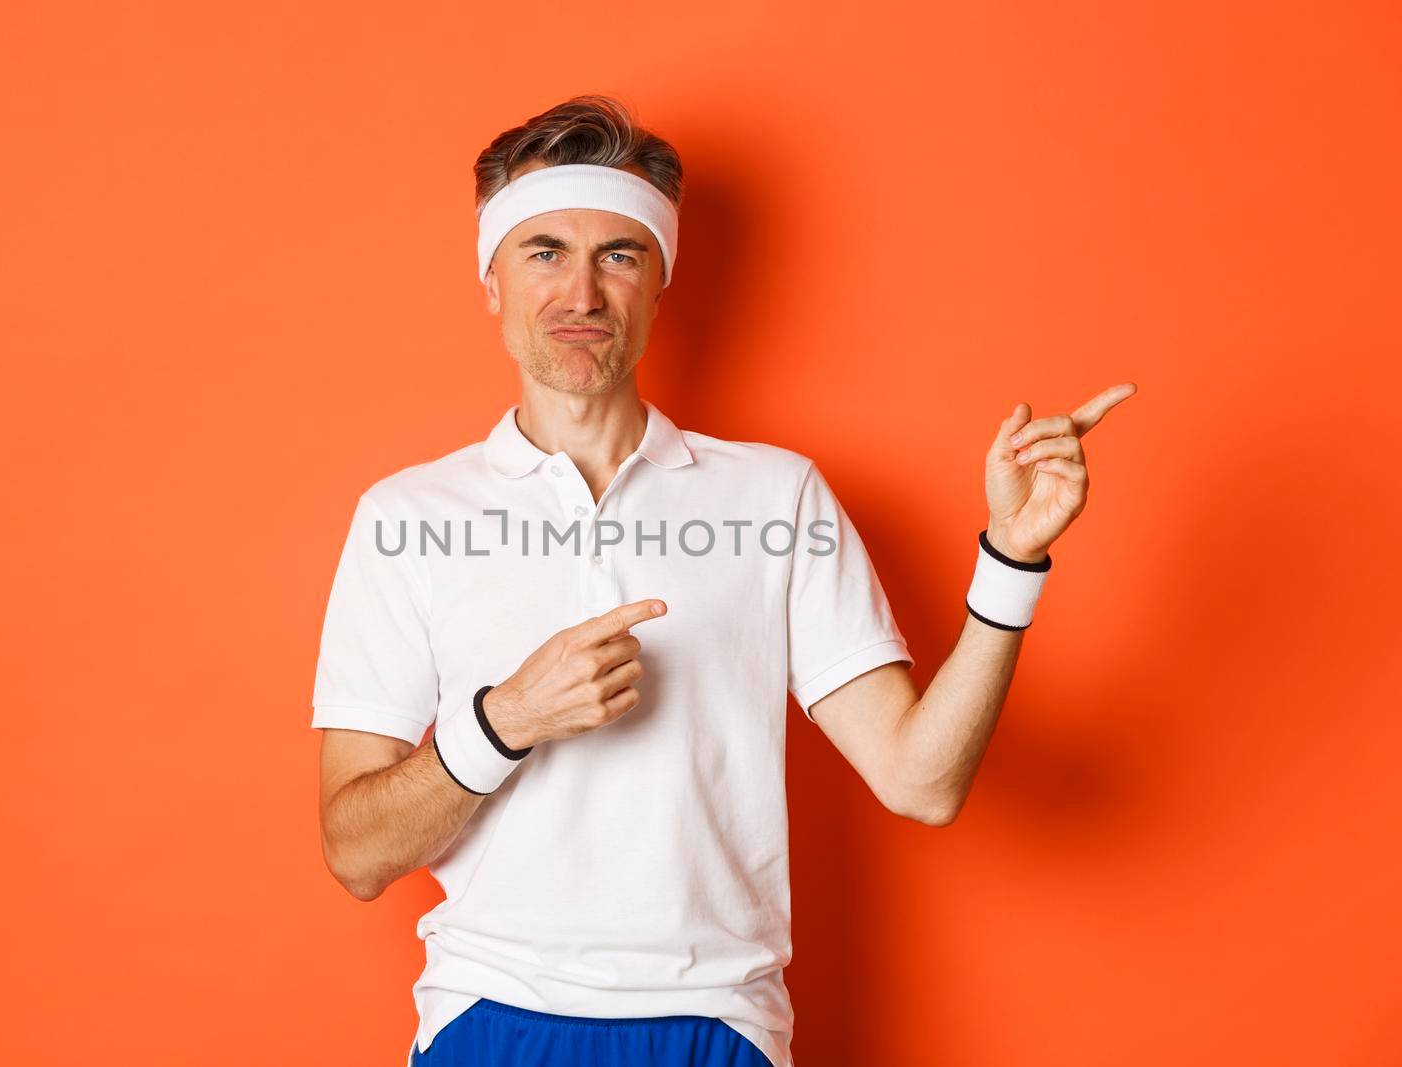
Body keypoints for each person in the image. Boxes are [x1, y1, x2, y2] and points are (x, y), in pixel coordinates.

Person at [310, 93, 1135, 1067]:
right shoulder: (408, 516)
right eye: (542, 251)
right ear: (490, 278)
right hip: (492, 1012)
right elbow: (355, 850)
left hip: (720, 1022)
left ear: (661, 281)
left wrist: (1012, 557)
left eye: (618, 253)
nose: (580, 292)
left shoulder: (773, 495)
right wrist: (504, 722)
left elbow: (921, 780)